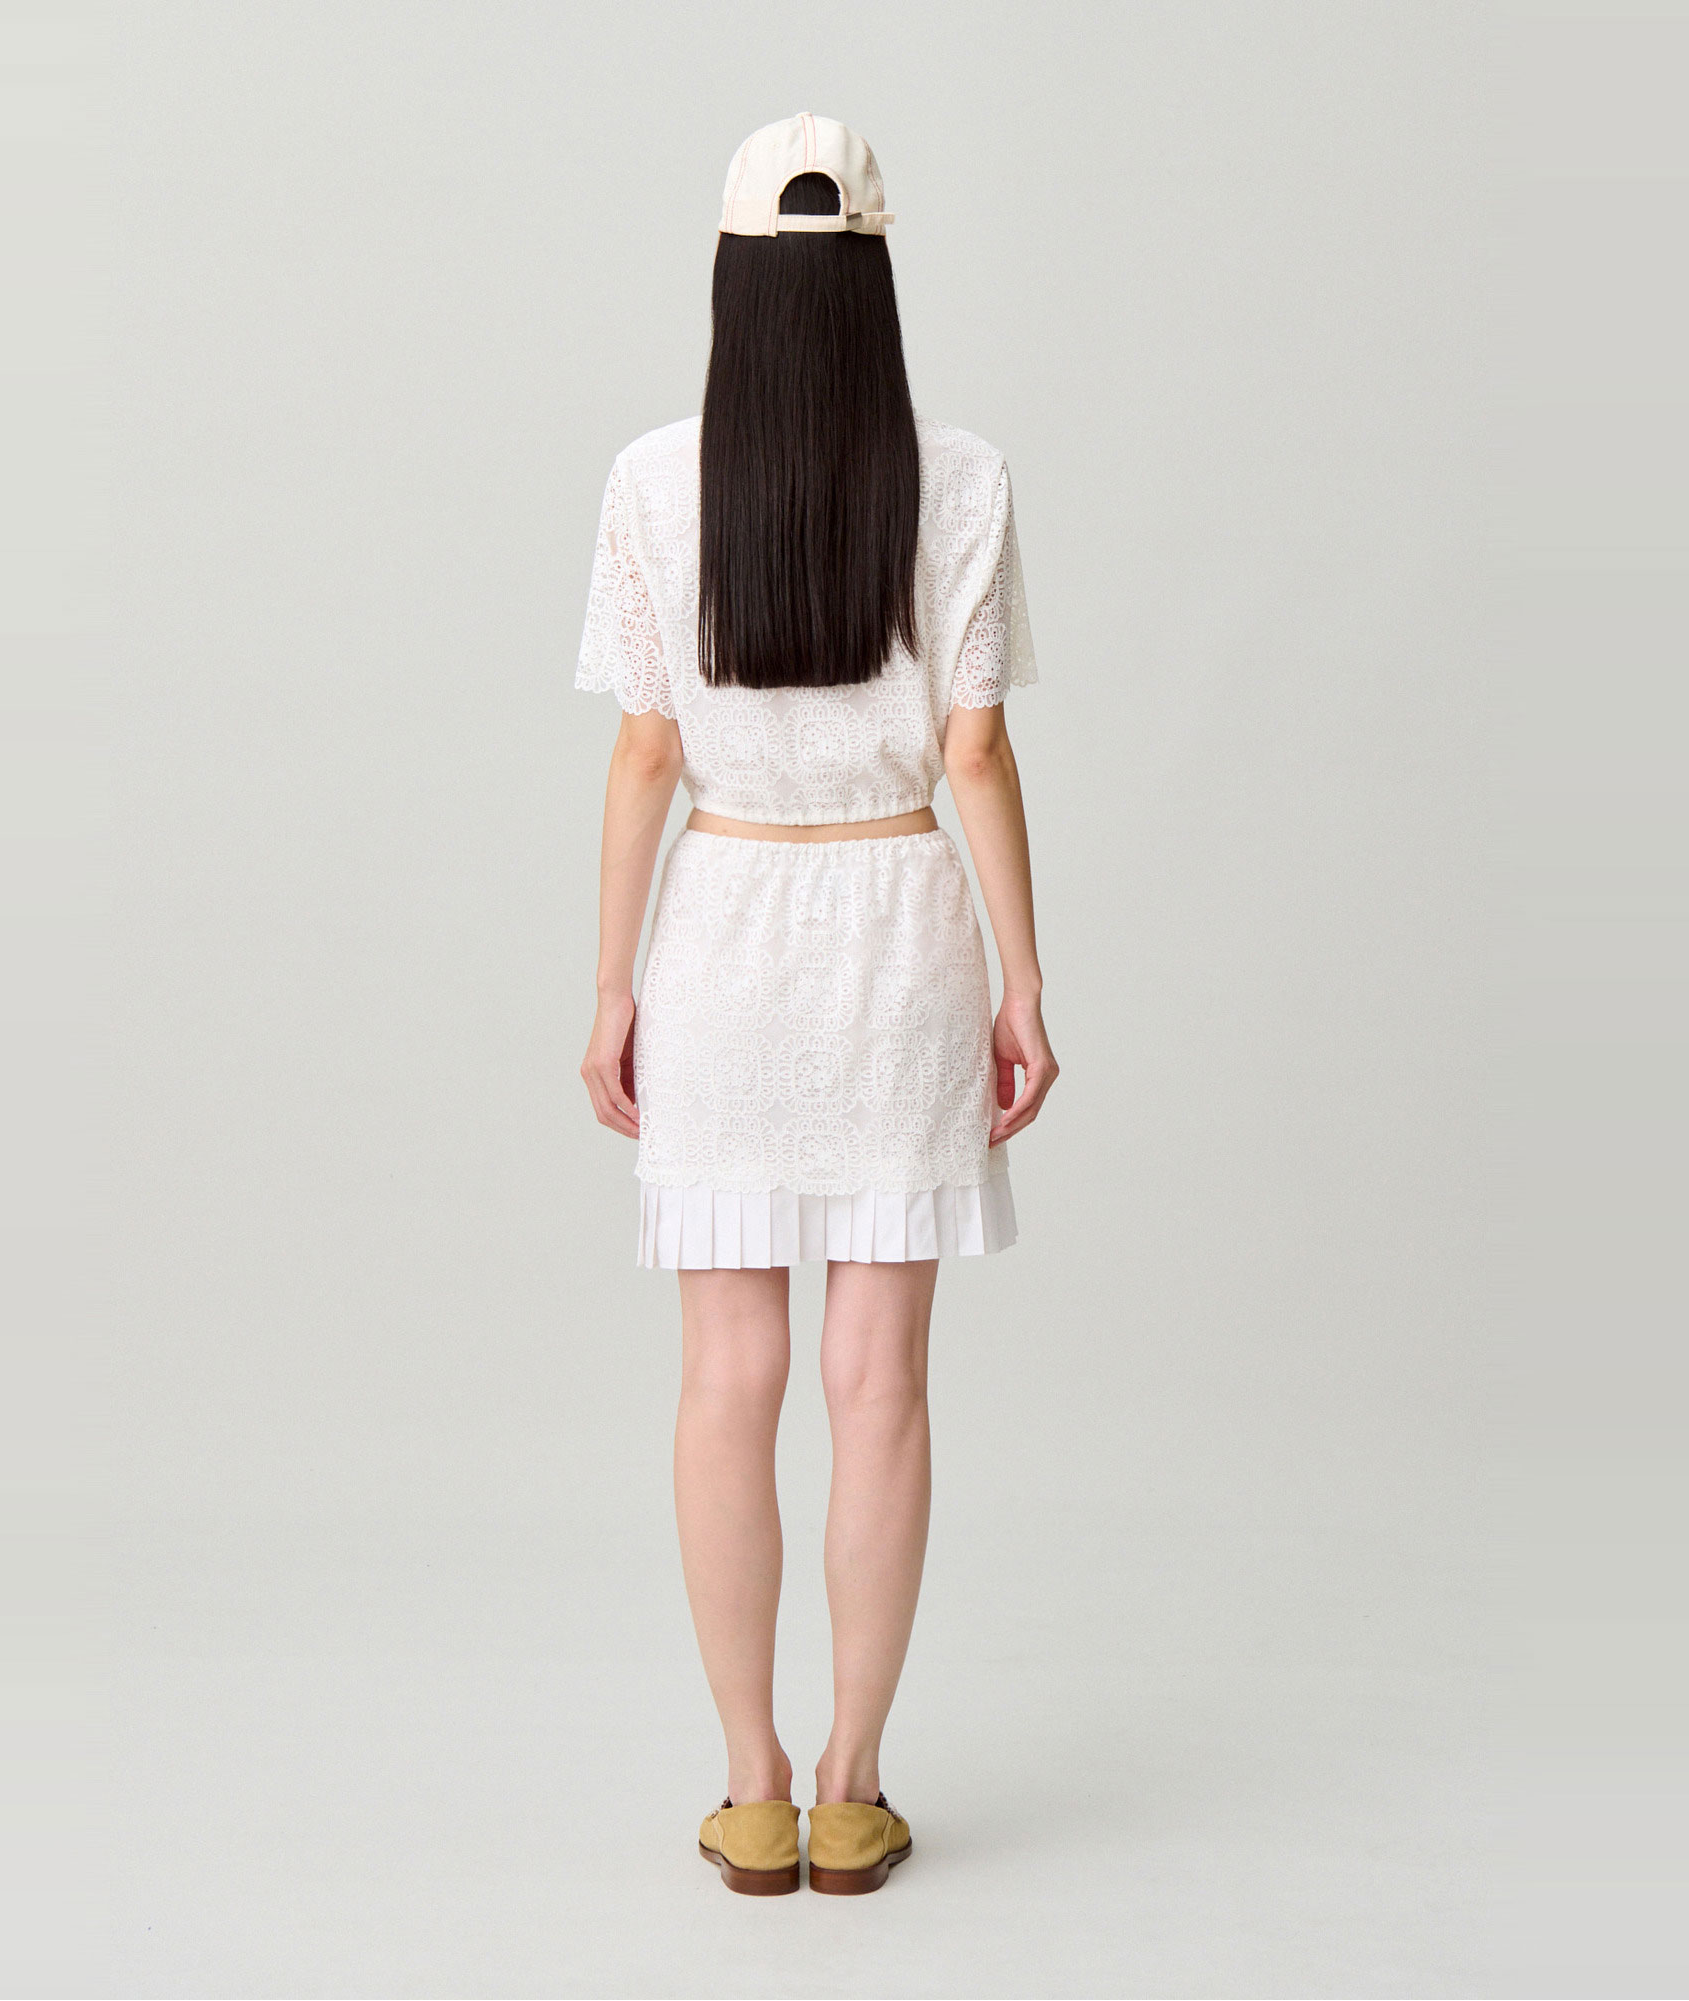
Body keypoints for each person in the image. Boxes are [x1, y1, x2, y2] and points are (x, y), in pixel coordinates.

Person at [574, 113, 1058, 1896]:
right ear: (874, 280)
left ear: (730, 279)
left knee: (728, 1374)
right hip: (900, 929)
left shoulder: (649, 482)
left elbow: (644, 753)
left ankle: (749, 1781)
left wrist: (611, 985)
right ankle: (853, 1784)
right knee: (880, 1381)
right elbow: (974, 749)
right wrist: (1023, 977)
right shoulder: (965, 478)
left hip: (722, 922)